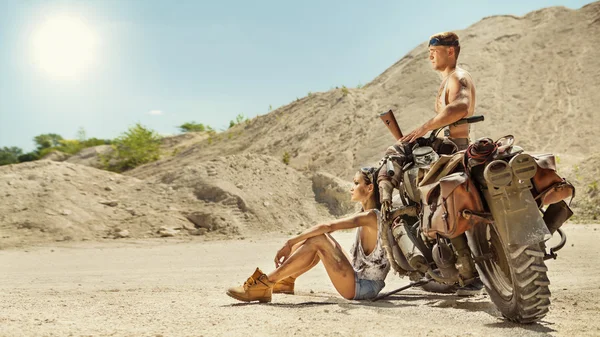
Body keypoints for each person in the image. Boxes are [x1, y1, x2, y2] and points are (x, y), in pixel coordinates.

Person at [226, 167, 391, 303]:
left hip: (363, 287)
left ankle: (264, 284)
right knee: (317, 238)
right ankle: (286, 282)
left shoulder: (372, 217)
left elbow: (328, 226)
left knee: (320, 237)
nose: (351, 188)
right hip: (358, 276)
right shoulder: (367, 214)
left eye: (356, 183)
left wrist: (290, 242)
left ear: (370, 188)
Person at [378, 31, 477, 218]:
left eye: (434, 51)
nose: (430, 56)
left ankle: (386, 203)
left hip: (454, 146)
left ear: (450, 52)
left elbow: (461, 106)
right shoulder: (448, 80)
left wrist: (425, 127)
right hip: (446, 145)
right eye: (429, 51)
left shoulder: (458, 77)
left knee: (396, 150)